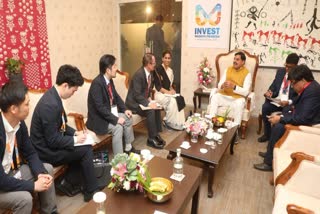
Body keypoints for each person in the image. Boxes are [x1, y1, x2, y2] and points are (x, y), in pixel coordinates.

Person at [30, 65, 99, 202]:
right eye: (73, 90)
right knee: (85, 149)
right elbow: (52, 141)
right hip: (45, 151)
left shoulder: (55, 96)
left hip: (51, 142)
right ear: (66, 85)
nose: (73, 93)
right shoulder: (50, 105)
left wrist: (75, 133)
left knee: (82, 146)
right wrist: (75, 140)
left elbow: (62, 125)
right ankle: (91, 191)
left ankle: (68, 182)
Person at [0, 81, 57, 214]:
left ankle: (50, 211)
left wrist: (40, 174)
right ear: (13, 109)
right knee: (24, 199)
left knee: (46, 170)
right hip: (1, 181)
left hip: (11, 172)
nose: (29, 107)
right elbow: (1, 180)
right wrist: (33, 185)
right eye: (26, 104)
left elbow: (30, 153)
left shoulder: (19, 123)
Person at [254, 64, 320, 171]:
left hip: (309, 125)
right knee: (281, 114)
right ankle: (270, 154)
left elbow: (303, 119)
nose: (292, 86)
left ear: (303, 80)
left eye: (293, 83)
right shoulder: (309, 87)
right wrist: (286, 108)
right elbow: (299, 102)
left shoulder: (313, 92)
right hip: (302, 116)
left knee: (279, 126)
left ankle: (269, 163)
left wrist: (280, 119)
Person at [86, 54, 138, 155]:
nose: (116, 68)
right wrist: (116, 119)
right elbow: (100, 108)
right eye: (114, 66)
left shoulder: (109, 80)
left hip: (108, 114)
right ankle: (119, 161)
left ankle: (128, 148)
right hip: (98, 120)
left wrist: (125, 109)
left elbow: (116, 97)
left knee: (128, 117)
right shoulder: (97, 84)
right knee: (118, 127)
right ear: (108, 70)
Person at [125, 53, 166, 149]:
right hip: (132, 103)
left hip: (140, 101)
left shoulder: (150, 73)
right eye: (153, 63)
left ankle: (155, 134)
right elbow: (136, 95)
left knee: (156, 107)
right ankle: (151, 139)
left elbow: (145, 90)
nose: (155, 64)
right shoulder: (138, 75)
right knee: (150, 110)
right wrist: (148, 104)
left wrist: (149, 99)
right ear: (148, 64)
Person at [257, 53, 300, 143]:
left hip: (288, 104)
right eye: (286, 66)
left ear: (296, 66)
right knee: (265, 107)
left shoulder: (299, 76)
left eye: (290, 67)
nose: (287, 69)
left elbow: (298, 96)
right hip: (277, 101)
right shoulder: (281, 71)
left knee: (284, 116)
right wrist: (269, 92)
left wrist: (288, 102)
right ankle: (267, 134)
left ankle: (278, 139)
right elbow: (273, 86)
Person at [208, 52, 252, 125]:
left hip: (236, 99)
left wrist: (234, 86)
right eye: (234, 59)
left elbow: (246, 92)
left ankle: (235, 126)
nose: (234, 61)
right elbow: (219, 85)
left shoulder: (247, 73)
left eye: (237, 59)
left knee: (240, 102)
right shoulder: (228, 69)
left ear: (243, 62)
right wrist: (222, 85)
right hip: (225, 96)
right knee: (215, 97)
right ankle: (212, 121)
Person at [154, 50, 185, 130]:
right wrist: (169, 92)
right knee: (172, 101)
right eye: (165, 58)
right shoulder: (158, 69)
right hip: (159, 94)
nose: (167, 60)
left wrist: (172, 90)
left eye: (169, 58)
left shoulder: (170, 71)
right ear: (162, 59)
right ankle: (168, 121)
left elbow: (170, 85)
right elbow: (159, 87)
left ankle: (178, 122)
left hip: (168, 93)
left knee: (179, 99)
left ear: (170, 59)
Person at [171, 22, 182, 93]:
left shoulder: (179, 35)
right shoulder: (176, 35)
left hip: (177, 58)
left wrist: (172, 48)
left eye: (173, 27)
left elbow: (178, 47)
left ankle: (177, 92)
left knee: (177, 76)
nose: (173, 29)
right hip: (175, 58)